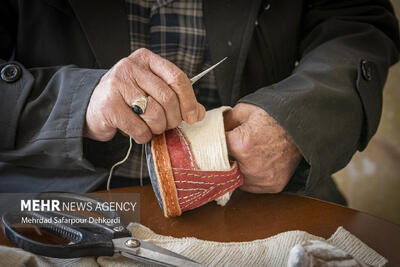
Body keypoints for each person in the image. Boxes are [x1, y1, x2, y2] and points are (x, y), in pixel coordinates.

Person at [0, 0, 399, 204]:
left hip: (265, 197)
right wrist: (75, 102)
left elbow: (357, 24)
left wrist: (296, 120)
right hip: (56, 199)